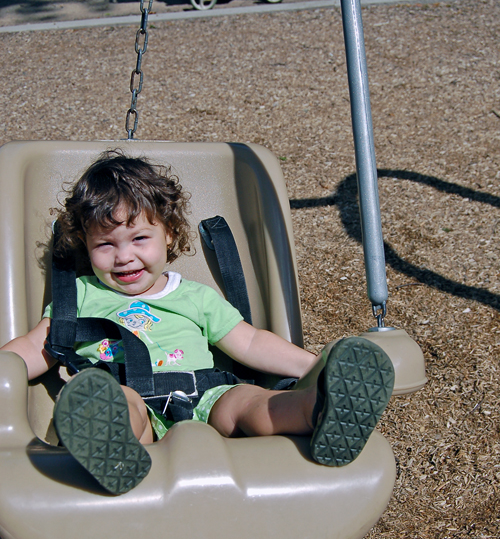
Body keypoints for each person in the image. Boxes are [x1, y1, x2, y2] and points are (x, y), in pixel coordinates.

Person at [0, 151, 395, 495]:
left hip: (204, 396)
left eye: (139, 239)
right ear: (85, 245)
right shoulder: (83, 294)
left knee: (248, 403)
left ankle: (319, 410)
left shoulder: (194, 297)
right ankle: (110, 450)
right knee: (119, 406)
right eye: (105, 244)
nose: (123, 257)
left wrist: (315, 368)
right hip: (129, 401)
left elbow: (251, 343)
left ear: (169, 234)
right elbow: (40, 345)